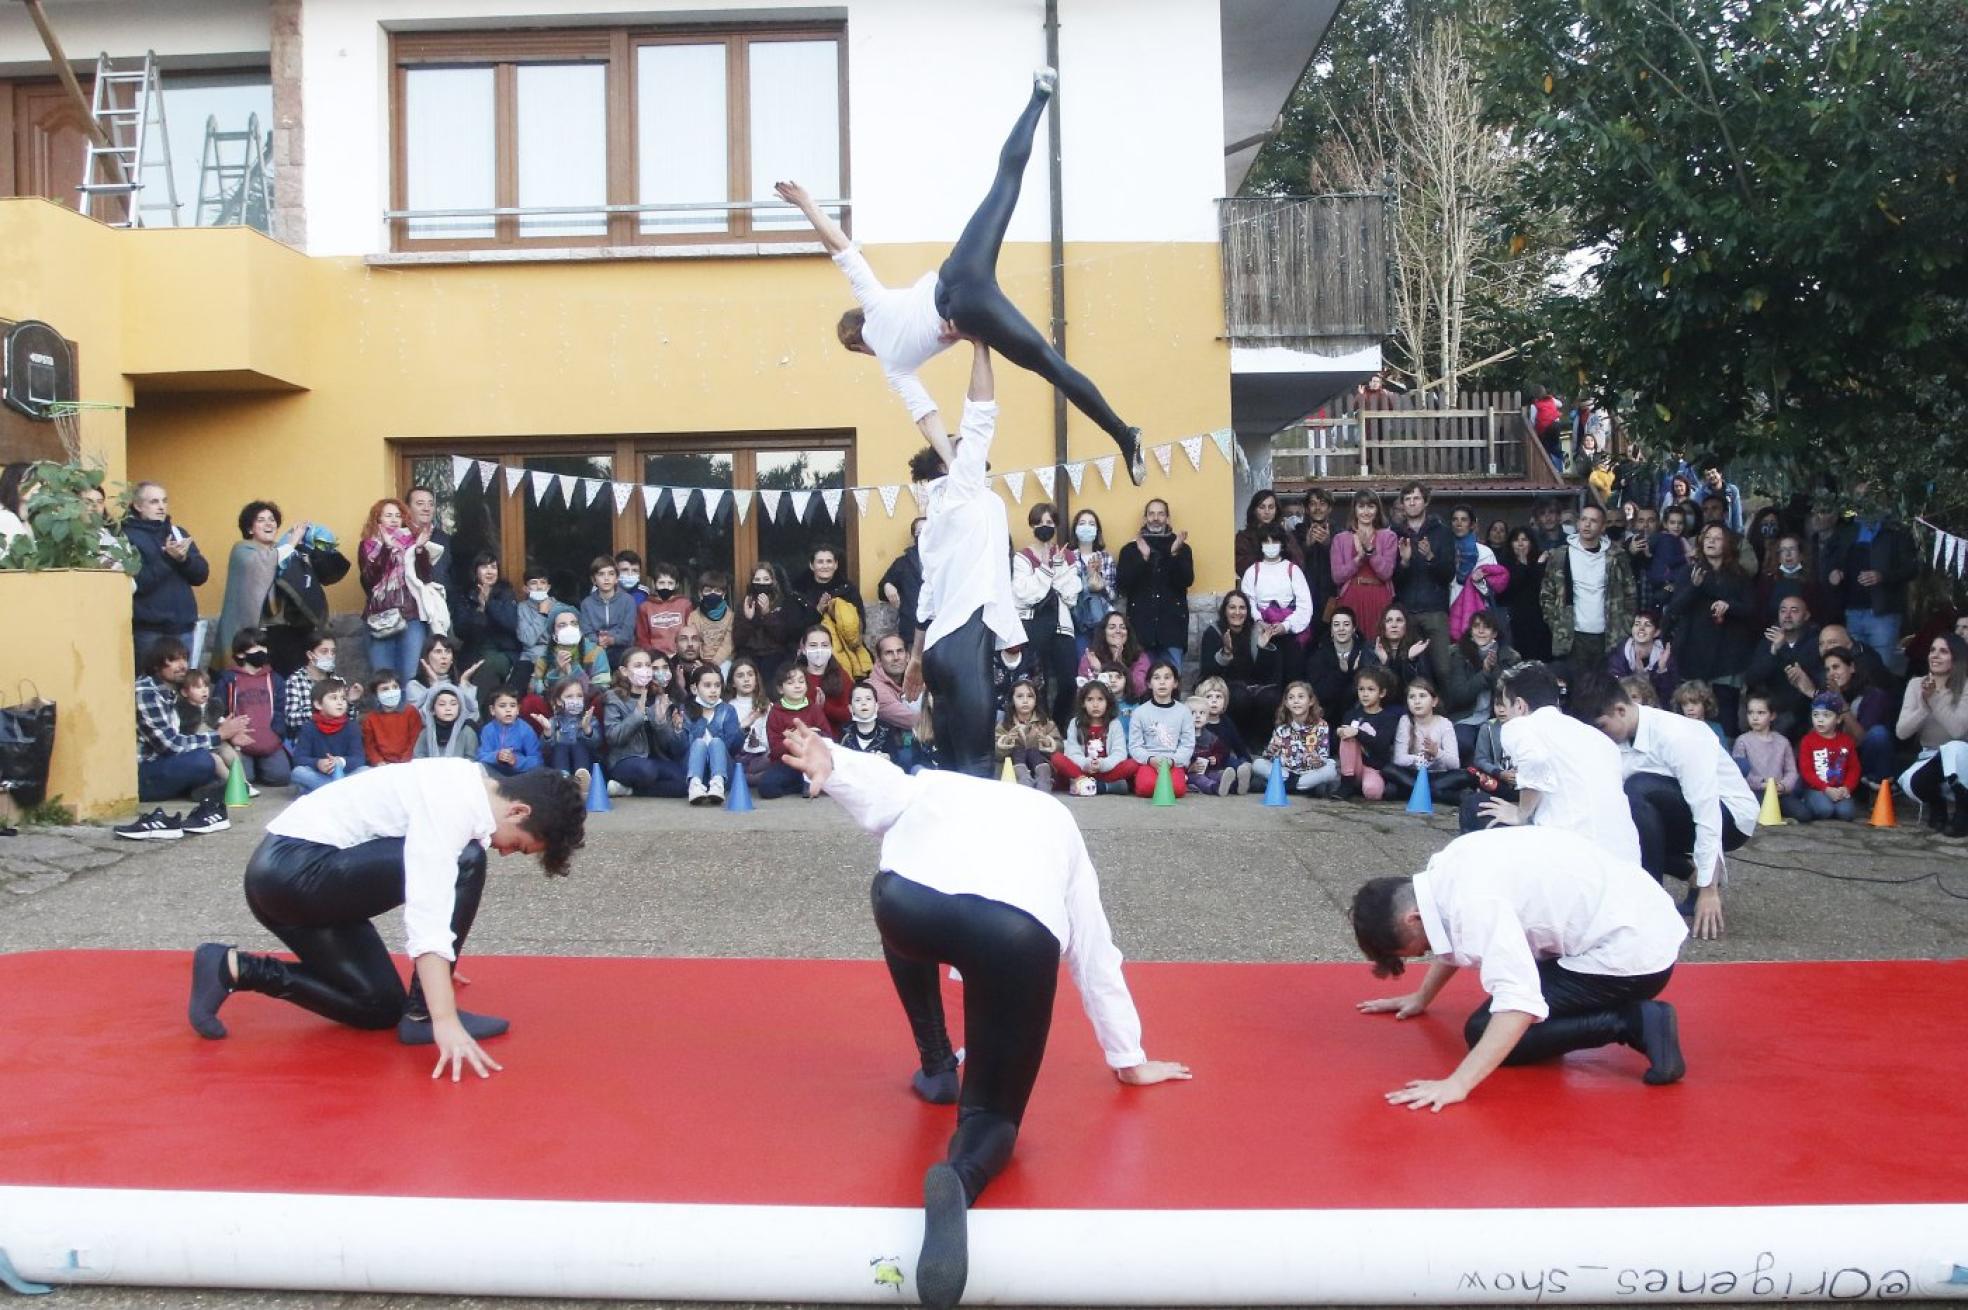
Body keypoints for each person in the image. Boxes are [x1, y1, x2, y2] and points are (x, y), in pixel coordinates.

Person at [775, 718, 1188, 1310]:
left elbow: (883, 790)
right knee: (992, 1116)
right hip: (1013, 932)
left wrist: (834, 761)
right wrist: (1128, 1056)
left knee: (890, 885)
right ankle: (961, 1174)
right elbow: (1093, 951)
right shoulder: (1057, 820)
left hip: (910, 906)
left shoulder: (939, 786)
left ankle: (937, 1063)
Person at [775, 70, 1149, 488]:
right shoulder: (876, 302)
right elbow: (843, 251)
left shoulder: (894, 367)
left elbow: (927, 417)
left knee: (1052, 366)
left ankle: (1123, 434)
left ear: (859, 347)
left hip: (972, 310)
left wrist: (953, 460)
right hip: (960, 270)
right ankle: (1039, 95)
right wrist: (807, 204)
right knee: (1004, 184)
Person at [185, 761, 585, 1080]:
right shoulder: (455, 803)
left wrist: (440, 963)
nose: (506, 853)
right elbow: (428, 907)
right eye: (518, 845)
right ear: (518, 811)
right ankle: (423, 1013)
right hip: (292, 875)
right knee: (468, 860)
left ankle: (234, 968)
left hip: (296, 885)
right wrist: (442, 1016)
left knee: (378, 1008)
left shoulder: (469, 785)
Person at [1350, 825, 1688, 1111]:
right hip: (1635, 913)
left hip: (1634, 957)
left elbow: (1519, 1003)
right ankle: (1620, 1016)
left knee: (1483, 1030)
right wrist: (1422, 997)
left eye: (1412, 951)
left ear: (1412, 919)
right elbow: (1444, 934)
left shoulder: (1475, 904)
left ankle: (1630, 1021)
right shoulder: (1447, 867)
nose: (1419, 955)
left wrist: (1458, 1084)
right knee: (1502, 1020)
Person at [1569, 672, 1756, 940]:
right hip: (1678, 809)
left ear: (1620, 710)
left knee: (1638, 789)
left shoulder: (1679, 735)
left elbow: (1707, 811)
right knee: (1616, 814)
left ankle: (1650, 905)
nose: (1601, 736)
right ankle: (1686, 877)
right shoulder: (1616, 738)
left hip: (1730, 815)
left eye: (1602, 728)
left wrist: (1709, 888)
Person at [911, 342, 1024, 778]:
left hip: (938, 649)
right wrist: (981, 343)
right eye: (959, 449)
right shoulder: (963, 490)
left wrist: (917, 658)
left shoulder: (934, 519)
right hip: (962, 644)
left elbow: (926, 597)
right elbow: (980, 413)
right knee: (976, 766)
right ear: (949, 467)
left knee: (953, 768)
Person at [1468, 662, 1641, 860]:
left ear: (1519, 706)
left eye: (1506, 706)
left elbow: (1534, 760)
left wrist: (1521, 813)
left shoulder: (1519, 726)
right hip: (1625, 858)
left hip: (1568, 854)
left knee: (1475, 805)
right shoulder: (1598, 738)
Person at [132, 638, 244, 829]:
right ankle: (202, 787)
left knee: (222, 760)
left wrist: (232, 734)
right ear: (156, 664)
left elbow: (188, 733)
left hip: (168, 763)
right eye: (173, 660)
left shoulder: (174, 691)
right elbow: (169, 745)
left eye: (184, 658)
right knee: (204, 761)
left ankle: (201, 789)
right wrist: (219, 735)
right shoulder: (146, 692)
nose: (182, 665)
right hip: (145, 771)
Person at [1666, 523, 1758, 733]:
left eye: (1717, 538)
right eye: (1708, 538)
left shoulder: (1739, 575)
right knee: (1692, 714)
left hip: (1728, 654)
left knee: (1727, 715)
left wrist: (1730, 606)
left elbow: (1750, 609)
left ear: (1727, 544)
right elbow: (1675, 608)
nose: (1711, 542)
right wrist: (1695, 587)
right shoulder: (1689, 572)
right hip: (1694, 652)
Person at [215, 501, 313, 673]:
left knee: (289, 677)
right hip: (254, 633)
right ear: (250, 529)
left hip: (286, 629)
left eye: (272, 519)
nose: (269, 524)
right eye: (261, 520)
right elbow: (264, 562)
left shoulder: (283, 549)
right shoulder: (242, 549)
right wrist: (292, 542)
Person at [1539, 503, 1635, 678]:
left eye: (1593, 521)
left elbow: (1630, 593)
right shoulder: (1560, 555)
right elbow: (1547, 593)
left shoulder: (1616, 556)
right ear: (1578, 523)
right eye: (1584, 519)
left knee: (1604, 684)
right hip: (1573, 635)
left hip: (1609, 635)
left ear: (1603, 526)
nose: (1587, 524)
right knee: (1576, 684)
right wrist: (1556, 623)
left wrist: (1625, 627)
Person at [1011, 502, 1084, 730]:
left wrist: (1057, 566)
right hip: (1032, 625)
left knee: (1068, 682)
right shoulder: (1022, 557)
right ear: (1032, 525)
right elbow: (1024, 594)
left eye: (1050, 522)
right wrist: (1044, 569)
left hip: (1062, 626)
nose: (1045, 526)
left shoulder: (1067, 556)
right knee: (1036, 682)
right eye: (1040, 522)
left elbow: (1071, 594)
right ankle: (1040, 731)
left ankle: (1059, 728)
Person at [125, 481, 211, 672]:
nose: (161, 506)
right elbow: (138, 583)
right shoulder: (126, 536)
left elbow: (201, 575)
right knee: (149, 682)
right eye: (154, 502)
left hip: (183, 626)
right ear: (138, 506)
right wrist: (168, 559)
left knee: (183, 682)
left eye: (164, 501)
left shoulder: (177, 533)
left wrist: (184, 560)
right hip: (148, 630)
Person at [1823, 504, 1918, 673]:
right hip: (1852, 612)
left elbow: (1911, 569)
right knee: (1855, 670)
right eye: (1859, 497)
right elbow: (1829, 560)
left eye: (1868, 497)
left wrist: (1883, 576)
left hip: (1883, 614)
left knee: (1882, 669)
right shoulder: (1847, 529)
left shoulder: (1896, 530)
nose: (1863, 502)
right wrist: (1833, 574)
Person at [1895, 633, 1968, 836]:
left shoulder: (1966, 686)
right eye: (1932, 650)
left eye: (1943, 651)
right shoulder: (1916, 685)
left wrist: (1934, 699)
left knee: (1952, 748)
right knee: (1910, 784)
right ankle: (1938, 806)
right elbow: (1901, 732)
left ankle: (1963, 812)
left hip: (1962, 755)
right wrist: (1925, 706)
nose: (1935, 655)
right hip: (1930, 755)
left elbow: (1958, 731)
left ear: (1956, 658)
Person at [356, 498, 434, 686]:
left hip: (411, 615)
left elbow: (425, 577)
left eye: (398, 516)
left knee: (411, 675)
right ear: (378, 520)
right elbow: (369, 581)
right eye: (388, 515)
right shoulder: (367, 545)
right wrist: (386, 549)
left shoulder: (414, 542)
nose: (394, 520)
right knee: (383, 677)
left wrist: (420, 549)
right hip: (380, 617)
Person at [1115, 499, 1194, 671]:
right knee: (1140, 682)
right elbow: (1122, 585)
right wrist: (1143, 559)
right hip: (1140, 631)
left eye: (1160, 514)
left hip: (1172, 630)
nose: (1156, 518)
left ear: (1168, 518)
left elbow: (1186, 580)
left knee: (1171, 681)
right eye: (1151, 514)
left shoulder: (1182, 548)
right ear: (1145, 519)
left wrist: (1174, 554)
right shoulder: (1130, 549)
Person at [214, 627, 293, 790]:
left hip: (269, 742)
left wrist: (276, 735)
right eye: (256, 647)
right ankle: (254, 767)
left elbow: (280, 711)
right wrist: (231, 736)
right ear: (240, 653)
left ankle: (262, 765)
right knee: (245, 777)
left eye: (264, 647)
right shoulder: (228, 679)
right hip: (240, 742)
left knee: (281, 777)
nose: (262, 651)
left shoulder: (275, 679)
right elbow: (217, 711)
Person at [603, 648, 687, 799]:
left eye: (648, 665)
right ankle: (626, 783)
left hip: (653, 760)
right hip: (624, 760)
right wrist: (637, 715)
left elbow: (666, 744)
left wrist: (661, 723)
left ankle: (629, 790)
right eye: (638, 665)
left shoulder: (658, 696)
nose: (645, 670)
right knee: (647, 771)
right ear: (624, 671)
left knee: (683, 782)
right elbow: (613, 737)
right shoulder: (614, 697)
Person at [1238, 522, 1314, 683]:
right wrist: (1259, 621)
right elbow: (1248, 601)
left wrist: (1286, 626)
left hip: (1290, 634)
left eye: (1275, 541)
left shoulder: (1293, 570)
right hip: (1261, 633)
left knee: (1291, 679)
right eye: (1266, 541)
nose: (1271, 545)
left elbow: (1305, 605)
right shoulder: (1252, 572)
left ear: (1282, 544)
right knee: (1265, 679)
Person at [1745, 593, 1822, 737]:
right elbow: (1751, 678)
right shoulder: (1767, 641)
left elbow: (1803, 671)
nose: (1787, 615)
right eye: (1783, 610)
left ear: (1806, 616)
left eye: (1794, 611)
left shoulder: (1815, 642)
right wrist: (1773, 653)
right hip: (1771, 708)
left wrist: (1782, 648)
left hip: (1804, 709)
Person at [1330, 492, 1397, 648]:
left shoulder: (1389, 537)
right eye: (1361, 506)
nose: (1366, 511)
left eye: (1371, 506)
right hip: (1351, 596)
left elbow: (1386, 573)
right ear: (1354, 510)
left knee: (1379, 646)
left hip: (1379, 596)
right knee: (1352, 646)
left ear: (1377, 509)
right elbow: (1337, 576)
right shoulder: (1340, 539)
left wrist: (1370, 551)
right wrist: (1358, 559)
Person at [757, 663, 833, 799]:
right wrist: (792, 739)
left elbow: (828, 737)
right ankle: (801, 785)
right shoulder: (776, 712)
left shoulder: (814, 709)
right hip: (788, 763)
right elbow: (775, 749)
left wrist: (812, 735)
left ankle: (808, 782)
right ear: (780, 689)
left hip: (813, 762)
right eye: (790, 683)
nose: (797, 686)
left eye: (801, 681)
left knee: (837, 781)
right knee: (767, 787)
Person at [450, 552, 523, 694]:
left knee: (487, 667)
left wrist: (489, 604)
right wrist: (480, 612)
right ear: (475, 571)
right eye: (484, 567)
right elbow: (460, 630)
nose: (490, 571)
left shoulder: (506, 593)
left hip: (502, 651)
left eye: (493, 567)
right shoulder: (465, 595)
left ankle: (483, 708)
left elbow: (512, 624)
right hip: (474, 650)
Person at [1820, 646, 1894, 784]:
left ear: (1852, 668)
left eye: (1836, 667)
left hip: (1866, 760)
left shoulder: (1874, 696)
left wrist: (1839, 700)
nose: (1831, 674)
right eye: (1827, 670)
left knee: (1878, 733)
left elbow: (1863, 738)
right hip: (1839, 763)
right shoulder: (1826, 697)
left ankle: (1877, 784)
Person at [1385, 678, 1465, 803]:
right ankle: (1437, 794)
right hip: (1413, 775)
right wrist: (1419, 759)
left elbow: (1455, 764)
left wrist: (1436, 753)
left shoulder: (1445, 723)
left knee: (1465, 775)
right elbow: (1399, 759)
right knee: (1388, 770)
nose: (1417, 701)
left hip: (1438, 776)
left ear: (1434, 701)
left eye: (1422, 696)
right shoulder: (1405, 721)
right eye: (1412, 697)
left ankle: (1418, 791)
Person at [1253, 681, 1338, 797]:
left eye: (1301, 697)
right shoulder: (1282, 728)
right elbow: (1267, 757)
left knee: (1330, 769)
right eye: (1291, 698)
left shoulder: (1322, 726)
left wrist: (1315, 759)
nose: (1296, 701)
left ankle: (1280, 785)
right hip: (1285, 772)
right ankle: (1301, 788)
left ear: (1311, 701)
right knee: (1257, 764)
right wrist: (1272, 749)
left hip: (1308, 773)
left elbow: (1323, 757)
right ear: (1286, 703)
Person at [1053, 679, 1136, 796]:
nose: (1095, 705)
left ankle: (1087, 785)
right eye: (1090, 699)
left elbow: (1119, 753)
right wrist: (1087, 764)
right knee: (1057, 758)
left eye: (1100, 699)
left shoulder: (1114, 724)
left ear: (1107, 703)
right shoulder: (1075, 723)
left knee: (1132, 764)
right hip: (1082, 770)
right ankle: (1102, 786)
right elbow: (1072, 752)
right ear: (1083, 703)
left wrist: (1102, 765)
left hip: (1106, 771)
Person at [1127, 660, 1194, 799]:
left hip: (1173, 762)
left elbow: (1187, 744)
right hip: (1148, 761)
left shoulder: (1184, 712)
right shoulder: (1140, 712)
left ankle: (1181, 777)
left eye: (1167, 677)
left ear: (1175, 683)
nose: (1162, 682)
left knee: (1177, 790)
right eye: (1156, 678)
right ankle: (1138, 777)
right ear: (1149, 683)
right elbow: (1135, 746)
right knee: (1145, 788)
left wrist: (1173, 761)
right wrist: (1150, 759)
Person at [290, 677, 368, 794]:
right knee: (298, 772)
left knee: (366, 771)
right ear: (318, 704)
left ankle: (326, 792)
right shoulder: (309, 727)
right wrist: (318, 763)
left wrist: (341, 761)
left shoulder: (352, 727)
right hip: (320, 774)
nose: (340, 702)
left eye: (343, 698)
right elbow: (299, 758)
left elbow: (359, 758)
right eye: (333, 698)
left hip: (346, 774)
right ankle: (342, 792)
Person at [676, 663, 740, 804]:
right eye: (707, 685)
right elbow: (682, 748)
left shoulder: (728, 710)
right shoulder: (685, 710)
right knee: (698, 743)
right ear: (694, 688)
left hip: (723, 770)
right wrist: (679, 729)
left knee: (716, 742)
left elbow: (731, 747)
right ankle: (695, 785)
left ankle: (717, 784)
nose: (713, 690)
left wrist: (742, 730)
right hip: (691, 769)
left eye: (717, 685)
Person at [1337, 666, 1401, 801]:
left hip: (1374, 767)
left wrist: (1358, 733)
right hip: (1354, 767)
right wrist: (1340, 732)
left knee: (1372, 793)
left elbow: (1382, 745)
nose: (1365, 694)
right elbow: (1340, 742)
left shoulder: (1388, 718)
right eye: (1361, 689)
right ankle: (1346, 783)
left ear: (1382, 693)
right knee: (1348, 736)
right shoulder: (1352, 714)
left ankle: (1359, 787)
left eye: (1371, 689)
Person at [1794, 692, 1859, 822]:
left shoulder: (1846, 741)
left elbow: (1854, 768)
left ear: (1838, 719)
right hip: (1816, 789)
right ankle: (1806, 800)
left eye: (1826, 715)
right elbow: (1806, 771)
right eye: (1815, 715)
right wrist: (1825, 789)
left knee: (1847, 813)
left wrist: (1846, 788)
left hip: (1839, 789)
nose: (1820, 720)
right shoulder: (1808, 741)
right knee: (1825, 810)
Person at [1731, 693, 1800, 816]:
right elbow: (1739, 772)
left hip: (1779, 791)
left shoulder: (1782, 742)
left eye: (1761, 713)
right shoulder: (1742, 741)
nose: (1755, 717)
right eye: (1750, 713)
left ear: (1772, 716)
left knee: (1803, 814)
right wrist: (1763, 784)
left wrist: (1783, 786)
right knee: (1758, 810)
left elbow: (1791, 771)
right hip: (1755, 791)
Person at [1065, 508, 1117, 663]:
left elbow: (1113, 595)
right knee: (1081, 663)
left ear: (1097, 530)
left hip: (1102, 622)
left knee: (1104, 665)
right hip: (1077, 621)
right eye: (1082, 523)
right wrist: (1086, 583)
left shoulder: (1105, 558)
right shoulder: (1068, 557)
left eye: (1091, 524)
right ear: (1075, 529)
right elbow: (1064, 590)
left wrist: (1101, 585)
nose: (1086, 527)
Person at [535, 678, 602, 793]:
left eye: (579, 696)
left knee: (579, 745)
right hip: (560, 762)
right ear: (559, 701)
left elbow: (597, 744)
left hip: (584, 761)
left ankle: (582, 779)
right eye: (569, 697)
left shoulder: (589, 719)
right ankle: (563, 779)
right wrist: (547, 732)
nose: (575, 700)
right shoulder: (554, 721)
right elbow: (545, 749)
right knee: (560, 746)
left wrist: (587, 729)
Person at [1307, 605, 1369, 726]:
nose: (1341, 629)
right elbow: (1319, 692)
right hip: (1328, 716)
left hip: (1360, 715)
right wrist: (1341, 673)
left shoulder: (1365, 651)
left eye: (1346, 624)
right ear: (1331, 630)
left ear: (1354, 628)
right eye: (1336, 625)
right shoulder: (1319, 655)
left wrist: (1356, 671)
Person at [994, 678, 1059, 790]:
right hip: (1013, 770)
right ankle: (1024, 781)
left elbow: (1059, 747)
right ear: (1012, 700)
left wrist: (1047, 742)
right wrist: (1007, 741)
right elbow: (996, 753)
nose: (1025, 700)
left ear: (1036, 700)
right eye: (1020, 696)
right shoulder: (1004, 724)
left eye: (1030, 696)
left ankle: (1043, 781)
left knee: (1034, 753)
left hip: (1039, 764)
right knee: (1018, 751)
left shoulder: (1045, 723)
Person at [736, 563, 802, 668]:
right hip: (749, 654)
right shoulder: (746, 603)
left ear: (773, 581)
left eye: (766, 579)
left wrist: (767, 614)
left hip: (775, 654)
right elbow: (738, 640)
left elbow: (783, 637)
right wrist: (748, 619)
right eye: (757, 580)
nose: (761, 583)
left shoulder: (782, 602)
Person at [1606, 609, 1677, 706]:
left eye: (1647, 625)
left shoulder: (1664, 656)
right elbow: (1613, 689)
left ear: (1656, 632)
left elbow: (1668, 697)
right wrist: (1637, 677)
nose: (1641, 628)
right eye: (1637, 624)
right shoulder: (1619, 655)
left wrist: (1662, 669)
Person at [579, 556, 638, 668]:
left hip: (622, 649)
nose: (606, 578)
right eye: (601, 574)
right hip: (596, 648)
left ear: (616, 578)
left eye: (611, 574)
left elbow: (627, 633)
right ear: (594, 580)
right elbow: (586, 633)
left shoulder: (628, 601)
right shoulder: (586, 604)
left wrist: (611, 640)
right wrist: (598, 640)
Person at [1081, 609, 1151, 702]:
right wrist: (1098, 672)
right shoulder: (1091, 656)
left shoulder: (1139, 655)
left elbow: (1140, 688)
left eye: (1122, 627)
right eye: (1112, 627)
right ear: (1103, 632)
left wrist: (1120, 667)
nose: (1118, 631)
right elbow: (1084, 693)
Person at [880, 518, 929, 651]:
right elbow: (881, 590)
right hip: (912, 633)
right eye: (920, 532)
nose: (924, 535)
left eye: (928, 530)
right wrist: (887, 585)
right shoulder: (903, 563)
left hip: (941, 632)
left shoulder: (945, 561)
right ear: (914, 536)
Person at [1233, 489, 1304, 578]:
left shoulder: (1286, 535)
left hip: (1283, 583)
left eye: (1271, 507)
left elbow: (1298, 563)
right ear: (1254, 510)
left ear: (1276, 510)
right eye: (1262, 507)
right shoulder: (1244, 538)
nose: (1267, 512)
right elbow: (1242, 567)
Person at [360, 669, 423, 766]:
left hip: (409, 762)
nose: (391, 691)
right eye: (385, 689)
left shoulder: (411, 712)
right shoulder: (370, 719)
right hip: (382, 766)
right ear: (376, 694)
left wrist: (405, 761)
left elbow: (415, 739)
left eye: (395, 687)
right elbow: (369, 745)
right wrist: (378, 761)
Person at [475, 689, 542, 779]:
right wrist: (496, 756)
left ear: (518, 709)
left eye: (513, 706)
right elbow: (481, 756)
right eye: (502, 706)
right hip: (493, 775)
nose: (508, 710)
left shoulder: (526, 730)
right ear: (492, 710)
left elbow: (537, 761)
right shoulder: (488, 730)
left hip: (519, 776)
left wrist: (516, 761)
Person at [633, 560, 694, 656]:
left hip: (680, 656)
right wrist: (654, 655)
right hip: (656, 657)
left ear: (677, 585)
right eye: (661, 583)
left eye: (670, 583)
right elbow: (642, 638)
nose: (666, 587)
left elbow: (690, 632)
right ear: (654, 584)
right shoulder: (645, 607)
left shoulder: (685, 604)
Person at [869, 632, 924, 736]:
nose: (896, 657)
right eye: (889, 653)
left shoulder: (916, 676)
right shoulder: (874, 690)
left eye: (900, 651)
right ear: (879, 661)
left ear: (908, 657)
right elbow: (913, 720)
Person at [841, 679, 906, 764]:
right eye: (858, 700)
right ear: (850, 708)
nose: (863, 703)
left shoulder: (888, 730)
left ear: (876, 706)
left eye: (868, 699)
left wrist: (888, 757)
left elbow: (896, 758)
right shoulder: (845, 730)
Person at [413, 685, 479, 761]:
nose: (448, 708)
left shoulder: (467, 732)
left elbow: (472, 760)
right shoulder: (425, 733)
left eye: (453, 704)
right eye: (442, 704)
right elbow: (418, 758)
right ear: (432, 710)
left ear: (460, 708)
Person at [693, 570, 735, 674]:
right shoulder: (694, 616)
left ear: (723, 594)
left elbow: (728, 645)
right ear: (700, 594)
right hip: (701, 661)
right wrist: (701, 662)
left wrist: (712, 664)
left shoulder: (731, 616)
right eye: (708, 591)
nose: (713, 594)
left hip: (724, 661)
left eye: (717, 591)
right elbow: (694, 641)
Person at [1690, 454, 1744, 534]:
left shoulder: (1732, 490)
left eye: (1713, 472)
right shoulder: (1700, 493)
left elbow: (1736, 516)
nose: (1711, 476)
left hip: (1727, 531)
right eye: (1708, 475)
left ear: (1720, 473)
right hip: (1708, 532)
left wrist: (1738, 535)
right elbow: (1697, 516)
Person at [1670, 680, 1728, 745]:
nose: (1690, 708)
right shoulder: (1677, 729)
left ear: (1705, 704)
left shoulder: (1715, 729)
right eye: (1685, 704)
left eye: (1695, 703)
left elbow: (1722, 751)